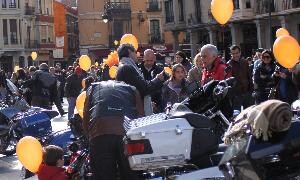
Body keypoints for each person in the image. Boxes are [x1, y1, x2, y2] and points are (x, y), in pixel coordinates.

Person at [82, 80, 144, 180]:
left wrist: (89, 136)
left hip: (99, 132)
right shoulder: (132, 89)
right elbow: (140, 116)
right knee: (130, 172)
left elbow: (86, 116)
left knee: (103, 174)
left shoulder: (93, 88)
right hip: (126, 133)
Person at [116, 44, 165, 116]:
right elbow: (144, 88)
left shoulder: (124, 66)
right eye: (135, 52)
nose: (137, 55)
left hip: (130, 108)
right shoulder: (127, 68)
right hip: (133, 110)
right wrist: (157, 79)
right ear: (129, 52)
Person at [227, 45, 254, 110]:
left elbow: (249, 76)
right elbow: (228, 80)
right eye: (233, 53)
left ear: (240, 53)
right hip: (236, 94)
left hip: (247, 92)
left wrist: (251, 90)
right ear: (231, 54)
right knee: (237, 115)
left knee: (249, 113)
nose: (235, 55)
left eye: (237, 53)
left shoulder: (244, 62)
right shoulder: (229, 64)